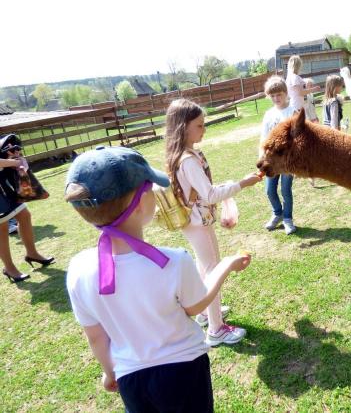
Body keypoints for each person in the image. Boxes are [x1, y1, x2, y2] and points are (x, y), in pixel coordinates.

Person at [64, 145, 252, 412]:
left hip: (130, 378)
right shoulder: (175, 261)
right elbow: (196, 306)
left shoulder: (77, 269)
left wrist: (109, 372)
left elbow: (95, 337)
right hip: (184, 370)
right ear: (140, 203)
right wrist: (226, 265)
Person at [164, 99, 261, 346]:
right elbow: (209, 195)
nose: (203, 129)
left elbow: (202, 191)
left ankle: (205, 313)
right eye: (199, 125)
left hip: (194, 222)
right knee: (214, 271)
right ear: (183, 127)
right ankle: (217, 329)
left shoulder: (184, 155)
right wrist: (242, 184)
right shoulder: (187, 160)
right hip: (199, 223)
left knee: (203, 268)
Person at [0, 134, 54, 283]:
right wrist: (13, 163)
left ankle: (32, 253)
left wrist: (12, 154)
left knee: (24, 215)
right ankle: (9, 268)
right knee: (2, 227)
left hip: (4, 187)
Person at [260, 75, 299, 234]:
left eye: (279, 94)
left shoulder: (293, 112)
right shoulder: (268, 114)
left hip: (287, 162)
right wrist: (262, 158)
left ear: (286, 93)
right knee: (269, 190)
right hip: (271, 161)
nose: (276, 98)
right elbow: (264, 137)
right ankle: (277, 214)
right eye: (273, 95)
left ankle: (288, 219)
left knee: (285, 190)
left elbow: (299, 138)